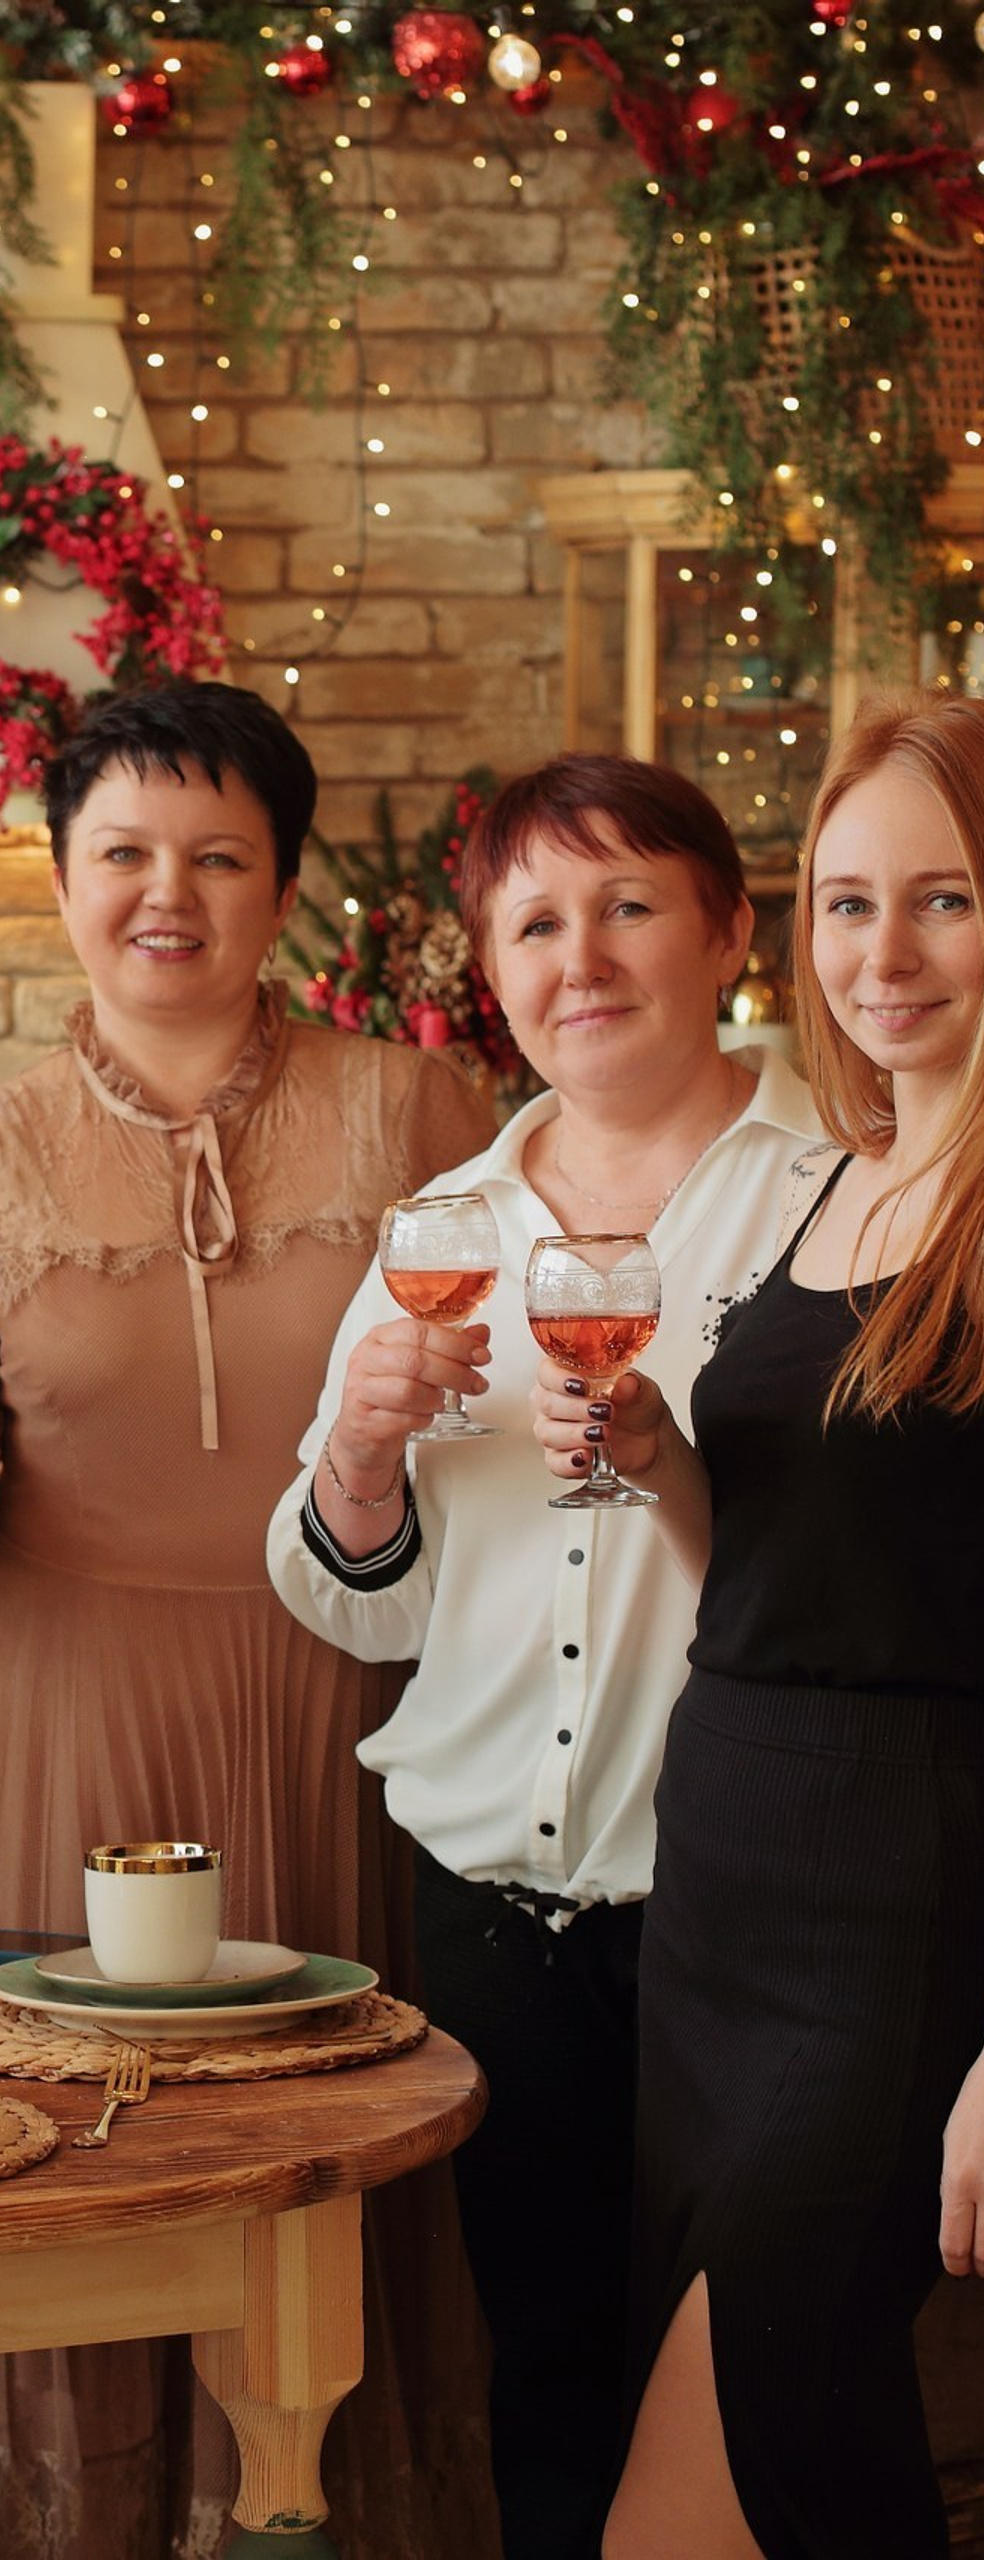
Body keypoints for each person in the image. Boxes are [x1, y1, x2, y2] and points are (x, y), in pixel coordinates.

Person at [0, 679, 496, 2560]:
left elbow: (505, 1398)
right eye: (121, 853)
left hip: (346, 1697)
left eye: (217, 855)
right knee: (82, 2148)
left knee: (323, 2168)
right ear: (60, 881)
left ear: (282, 886)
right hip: (69, 1714)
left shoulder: (410, 1102)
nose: (166, 893)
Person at [269, 751, 820, 2560]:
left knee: (760, 2384)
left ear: (731, 929)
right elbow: (362, 1599)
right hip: (492, 1901)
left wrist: (680, 1461)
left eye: (629, 904)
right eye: (534, 920)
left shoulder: (843, 1193)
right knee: (552, 2375)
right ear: (490, 973)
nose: (580, 956)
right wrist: (354, 1456)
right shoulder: (450, 1230)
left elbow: (883, 1578)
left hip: (754, 1911)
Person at [529, 697, 984, 2560]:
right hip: (728, 1869)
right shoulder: (844, 1177)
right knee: (823, 2457)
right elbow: (786, 1570)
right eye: (846, 901)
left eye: (947, 902)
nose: (881, 957)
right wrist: (654, 1457)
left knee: (704, 2493)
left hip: (904, 1897)